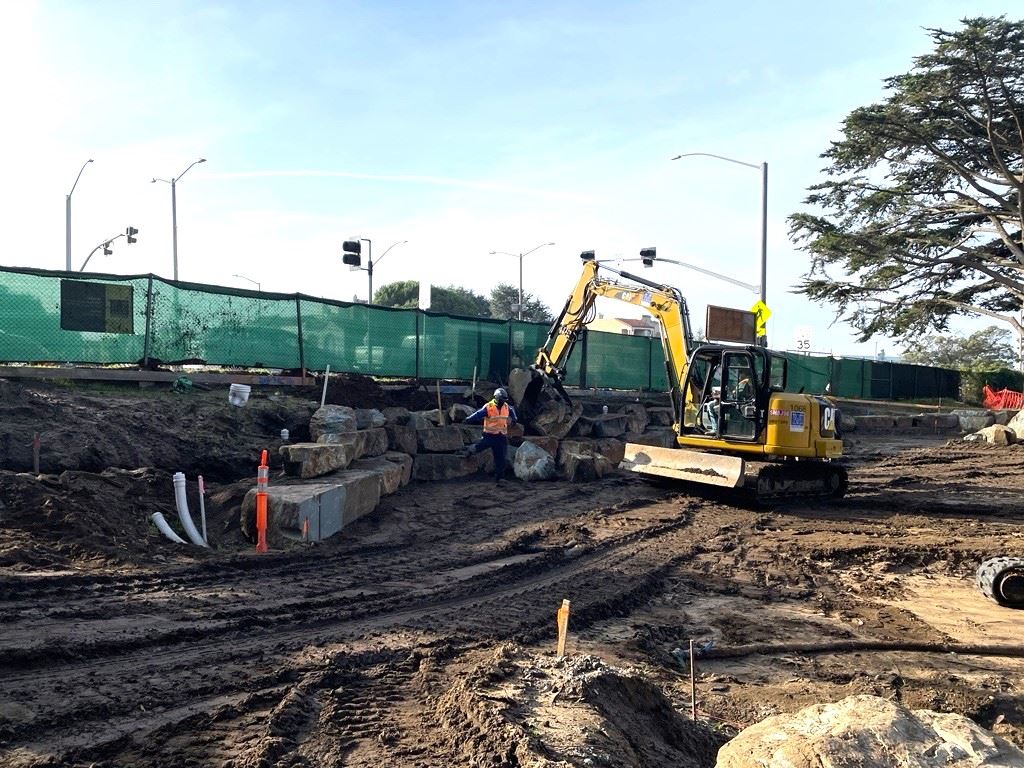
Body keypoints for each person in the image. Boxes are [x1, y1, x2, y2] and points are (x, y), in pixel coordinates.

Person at [461, 388, 519, 484]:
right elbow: (477, 414)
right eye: (501, 400)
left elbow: (512, 412)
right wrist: (467, 419)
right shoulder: (489, 407)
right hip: (489, 435)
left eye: (504, 400)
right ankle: (467, 451)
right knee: (479, 446)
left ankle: (500, 478)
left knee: (501, 459)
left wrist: (514, 420)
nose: (503, 402)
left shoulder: (506, 407)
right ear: (496, 398)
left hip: (501, 437)